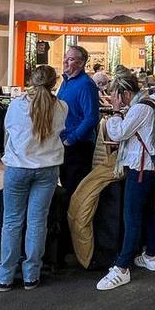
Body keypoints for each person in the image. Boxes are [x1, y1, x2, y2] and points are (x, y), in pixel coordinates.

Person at [0, 65, 67, 292]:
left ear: (31, 81)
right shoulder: (62, 107)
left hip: (17, 168)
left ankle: (5, 276)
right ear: (55, 83)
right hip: (48, 169)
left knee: (12, 222)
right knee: (37, 222)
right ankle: (31, 275)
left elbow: (9, 133)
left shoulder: (16, 105)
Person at [96, 69, 155, 291]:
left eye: (116, 94)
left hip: (140, 169)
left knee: (131, 216)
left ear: (124, 92)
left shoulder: (140, 108)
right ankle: (150, 255)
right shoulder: (149, 104)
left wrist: (114, 112)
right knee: (148, 212)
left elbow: (119, 134)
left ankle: (122, 267)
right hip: (149, 169)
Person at [57, 44, 99, 198]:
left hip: (78, 145)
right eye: (65, 58)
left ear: (81, 63)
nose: (65, 61)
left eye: (71, 59)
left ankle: (74, 221)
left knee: (74, 190)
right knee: (65, 184)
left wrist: (71, 139)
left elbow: (92, 117)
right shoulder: (65, 82)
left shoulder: (86, 85)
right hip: (64, 143)